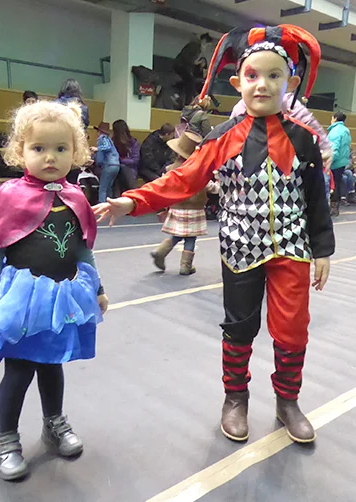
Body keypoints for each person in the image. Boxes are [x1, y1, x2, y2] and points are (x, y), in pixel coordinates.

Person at [94, 24, 335, 445]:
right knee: (238, 327)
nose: (262, 84)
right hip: (240, 248)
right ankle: (235, 398)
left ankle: (288, 401)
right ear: (237, 82)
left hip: (293, 249)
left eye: (274, 75)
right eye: (253, 75)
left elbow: (316, 197)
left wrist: (323, 250)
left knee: (293, 329)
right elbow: (182, 179)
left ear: (291, 83)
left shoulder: (305, 140)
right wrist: (131, 201)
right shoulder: (223, 138)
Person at [0, 100, 108, 481]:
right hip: (23, 303)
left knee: (52, 365)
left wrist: (98, 289)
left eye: (61, 148)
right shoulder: (9, 195)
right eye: (39, 148)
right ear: (20, 151)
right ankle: (6, 438)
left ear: (75, 152)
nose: (50, 157)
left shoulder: (75, 197)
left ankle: (53, 423)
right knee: (18, 372)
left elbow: (82, 249)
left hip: (61, 299)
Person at [150, 131, 218, 275]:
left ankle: (161, 251)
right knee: (190, 237)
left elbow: (163, 186)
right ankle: (185, 266)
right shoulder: (199, 172)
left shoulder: (170, 170)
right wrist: (219, 185)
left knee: (178, 234)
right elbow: (211, 187)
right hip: (195, 209)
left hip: (176, 207)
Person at [174, 33, 213, 105]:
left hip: (181, 66)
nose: (206, 48)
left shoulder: (195, 47)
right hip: (180, 66)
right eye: (207, 45)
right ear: (204, 41)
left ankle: (188, 99)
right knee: (190, 81)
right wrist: (196, 63)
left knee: (190, 81)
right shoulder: (195, 46)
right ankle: (189, 101)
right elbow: (185, 57)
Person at [327, 111, 352, 216]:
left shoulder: (335, 131)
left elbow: (334, 149)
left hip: (335, 162)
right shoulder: (346, 131)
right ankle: (334, 207)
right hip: (342, 162)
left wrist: (329, 161)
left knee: (332, 184)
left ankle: (333, 208)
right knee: (336, 183)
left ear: (335, 118)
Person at [112, 119, 140, 193]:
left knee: (122, 168)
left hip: (130, 169)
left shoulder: (133, 143)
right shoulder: (113, 142)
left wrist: (121, 160)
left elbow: (135, 161)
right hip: (116, 169)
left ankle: (131, 192)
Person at [95, 121, 120, 202]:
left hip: (108, 165)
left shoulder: (102, 138)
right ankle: (110, 204)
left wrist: (97, 149)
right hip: (116, 165)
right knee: (109, 187)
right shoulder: (109, 139)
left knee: (102, 188)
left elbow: (106, 147)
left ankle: (101, 205)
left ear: (99, 131)